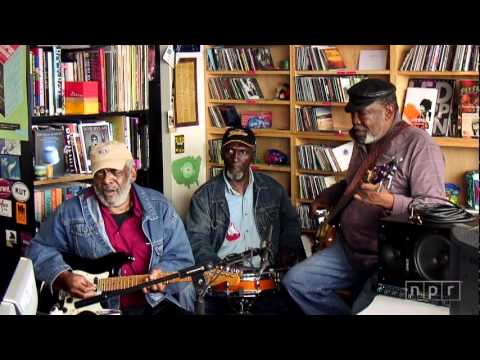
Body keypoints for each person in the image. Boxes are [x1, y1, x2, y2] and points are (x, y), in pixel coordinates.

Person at [282, 78, 446, 315]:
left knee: (364, 310)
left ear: (389, 111)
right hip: (348, 250)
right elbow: (353, 184)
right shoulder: (363, 141)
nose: (355, 122)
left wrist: (390, 202)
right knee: (296, 283)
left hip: (387, 259)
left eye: (363, 114)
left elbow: (435, 209)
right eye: (352, 114)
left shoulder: (420, 146)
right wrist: (331, 193)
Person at [27, 141, 195, 315]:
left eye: (114, 172)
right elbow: (37, 248)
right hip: (96, 308)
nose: (106, 180)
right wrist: (63, 277)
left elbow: (182, 259)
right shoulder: (71, 211)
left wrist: (164, 273)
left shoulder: (160, 207)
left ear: (132, 173)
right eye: (100, 173)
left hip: (153, 305)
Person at [185, 126, 304, 314]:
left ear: (252, 155)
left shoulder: (273, 190)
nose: (236, 157)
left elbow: (291, 224)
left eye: (243, 151)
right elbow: (196, 239)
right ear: (222, 153)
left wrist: (288, 248)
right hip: (222, 283)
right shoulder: (204, 196)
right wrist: (219, 269)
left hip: (266, 277)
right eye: (230, 150)